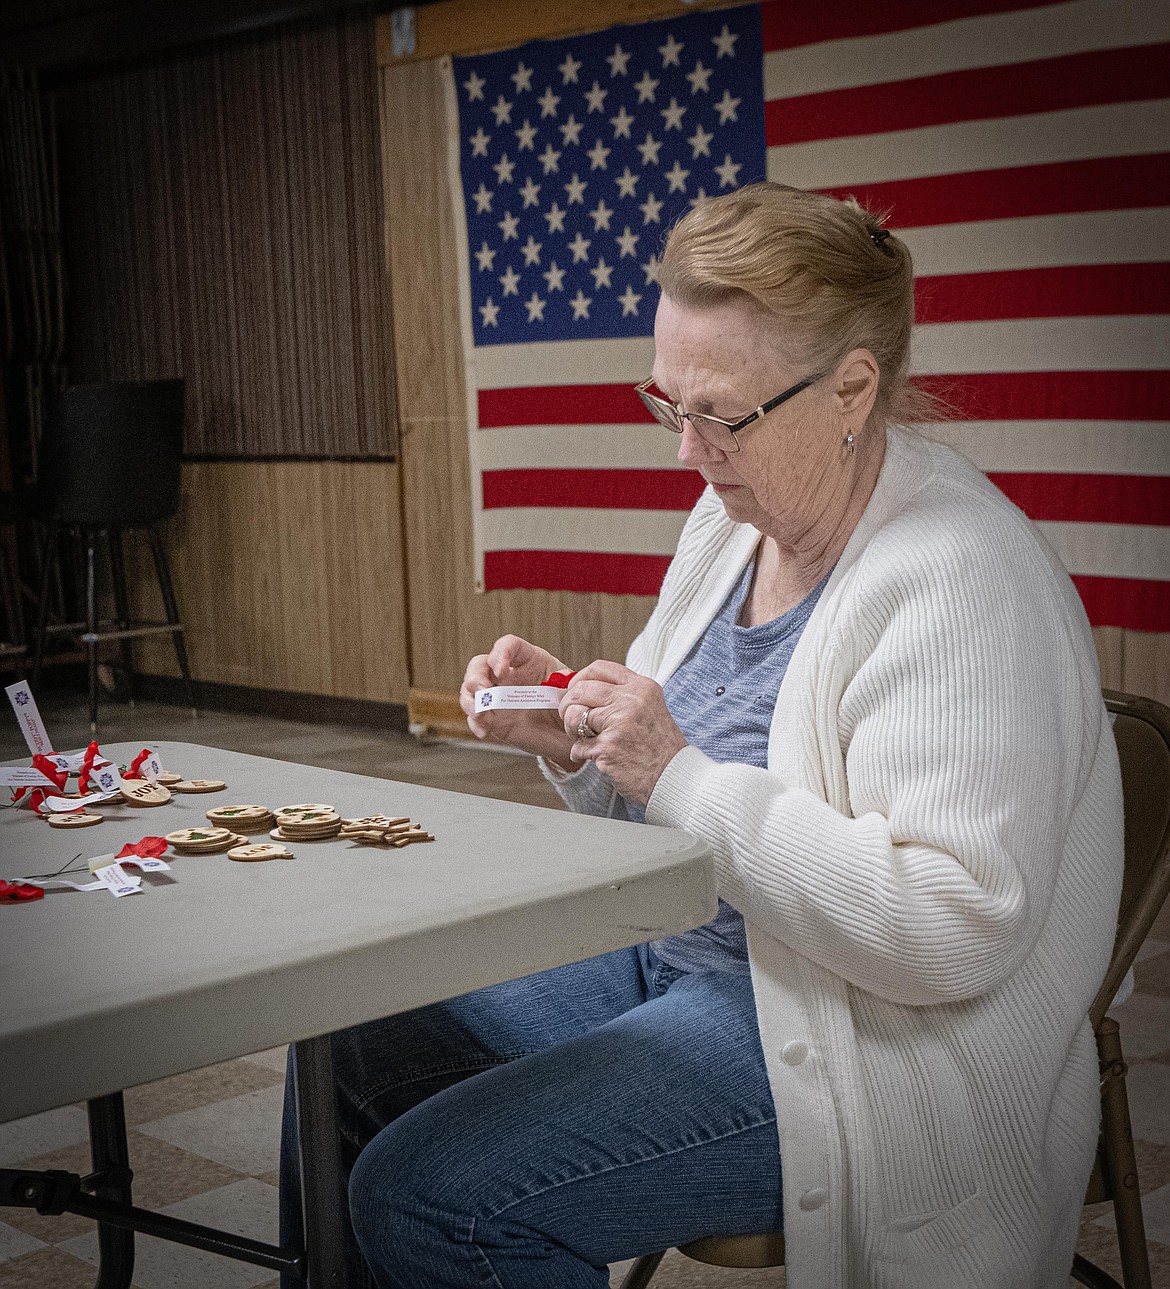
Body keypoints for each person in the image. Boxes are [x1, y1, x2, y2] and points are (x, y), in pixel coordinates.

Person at [281, 183, 1123, 1289]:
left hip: (861, 1039)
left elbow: (950, 927)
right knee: (334, 1043)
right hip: (692, 953)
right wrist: (577, 742)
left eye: (718, 414)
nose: (687, 450)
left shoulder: (961, 577)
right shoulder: (733, 521)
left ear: (850, 390)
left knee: (435, 1197)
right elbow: (670, 792)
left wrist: (674, 768)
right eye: (666, 402)